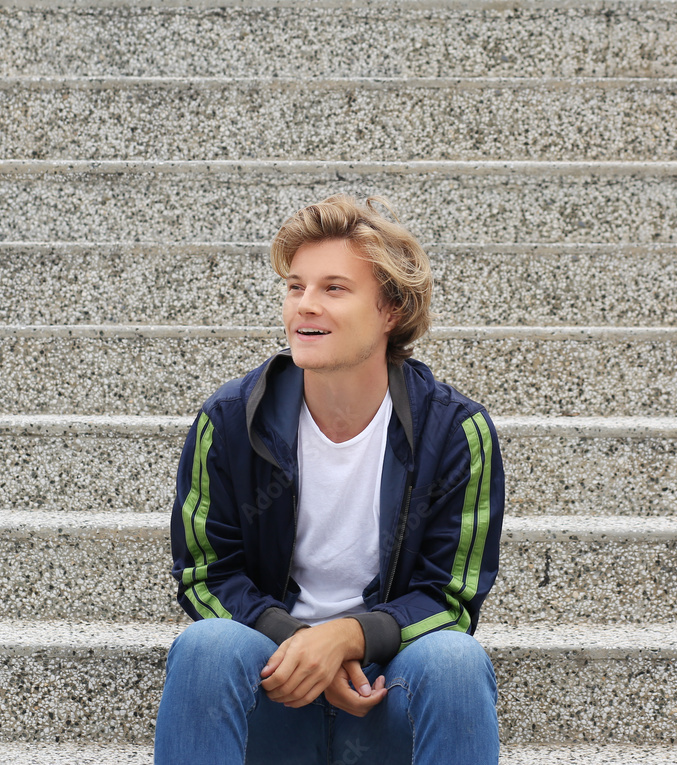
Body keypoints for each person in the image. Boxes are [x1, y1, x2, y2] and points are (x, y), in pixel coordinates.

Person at [154, 194, 504, 764]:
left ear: (390, 310)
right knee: (206, 649)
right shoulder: (231, 421)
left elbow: (452, 597)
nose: (305, 306)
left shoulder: (455, 432)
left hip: (385, 695)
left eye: (333, 288)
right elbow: (204, 574)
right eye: (296, 287)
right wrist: (297, 641)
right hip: (273, 689)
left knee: (454, 662)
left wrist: (351, 636)